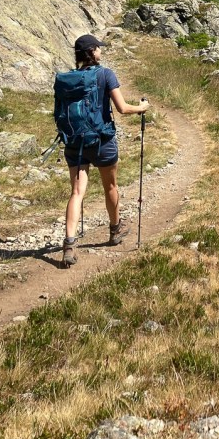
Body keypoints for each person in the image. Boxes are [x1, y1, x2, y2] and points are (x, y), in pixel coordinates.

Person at [61, 33, 149, 269]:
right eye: (98, 48)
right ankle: (115, 229)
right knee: (110, 186)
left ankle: (69, 244)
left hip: (74, 142)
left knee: (77, 192)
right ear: (91, 52)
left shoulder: (67, 78)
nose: (101, 51)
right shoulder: (105, 74)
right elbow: (121, 108)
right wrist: (141, 108)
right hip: (102, 140)